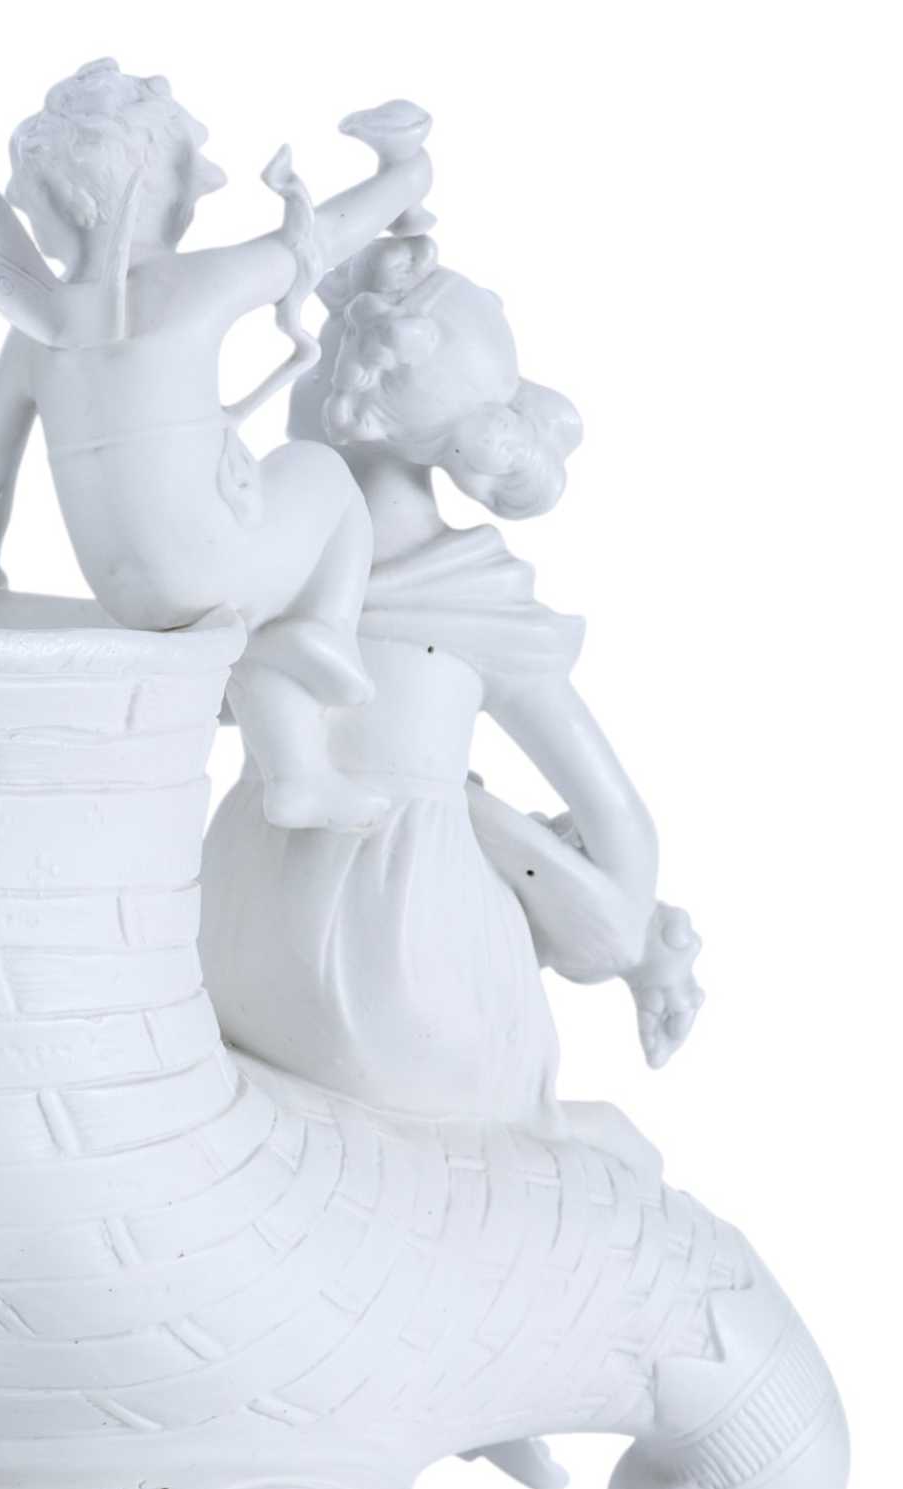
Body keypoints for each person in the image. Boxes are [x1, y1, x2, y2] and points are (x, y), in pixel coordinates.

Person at [202, 235, 702, 1130]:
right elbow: (618, 825)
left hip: (248, 944)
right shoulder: (462, 598)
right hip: (390, 960)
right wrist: (635, 938)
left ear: (338, 399)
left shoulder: (271, 572)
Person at [0, 59, 432, 832]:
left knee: (245, 602)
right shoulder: (197, 284)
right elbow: (325, 236)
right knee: (319, 474)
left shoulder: (37, 331)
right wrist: (405, 173)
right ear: (166, 190)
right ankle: (324, 638)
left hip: (128, 596)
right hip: (213, 558)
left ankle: (297, 776)